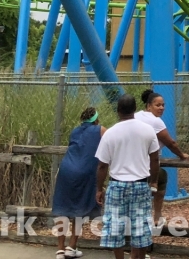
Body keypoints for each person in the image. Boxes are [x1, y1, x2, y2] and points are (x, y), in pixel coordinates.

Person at [95, 94, 160, 259]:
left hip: (117, 185)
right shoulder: (148, 130)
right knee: (141, 226)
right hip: (140, 184)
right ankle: (137, 257)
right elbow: (155, 159)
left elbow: (102, 165)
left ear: (118, 111)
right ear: (134, 109)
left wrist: (99, 188)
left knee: (115, 226)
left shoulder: (110, 133)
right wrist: (153, 181)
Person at [136, 88, 189, 223]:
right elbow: (171, 143)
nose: (161, 108)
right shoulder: (156, 121)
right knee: (161, 178)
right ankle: (157, 215)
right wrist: (181, 155)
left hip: (134, 161)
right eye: (158, 105)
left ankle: (142, 216)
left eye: (163, 105)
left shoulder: (137, 115)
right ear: (149, 106)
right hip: (147, 164)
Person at [52, 107, 104, 258]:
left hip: (66, 169)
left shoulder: (75, 131)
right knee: (80, 208)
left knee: (63, 208)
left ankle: (60, 249)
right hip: (85, 172)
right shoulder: (101, 130)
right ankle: (72, 246)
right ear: (96, 119)